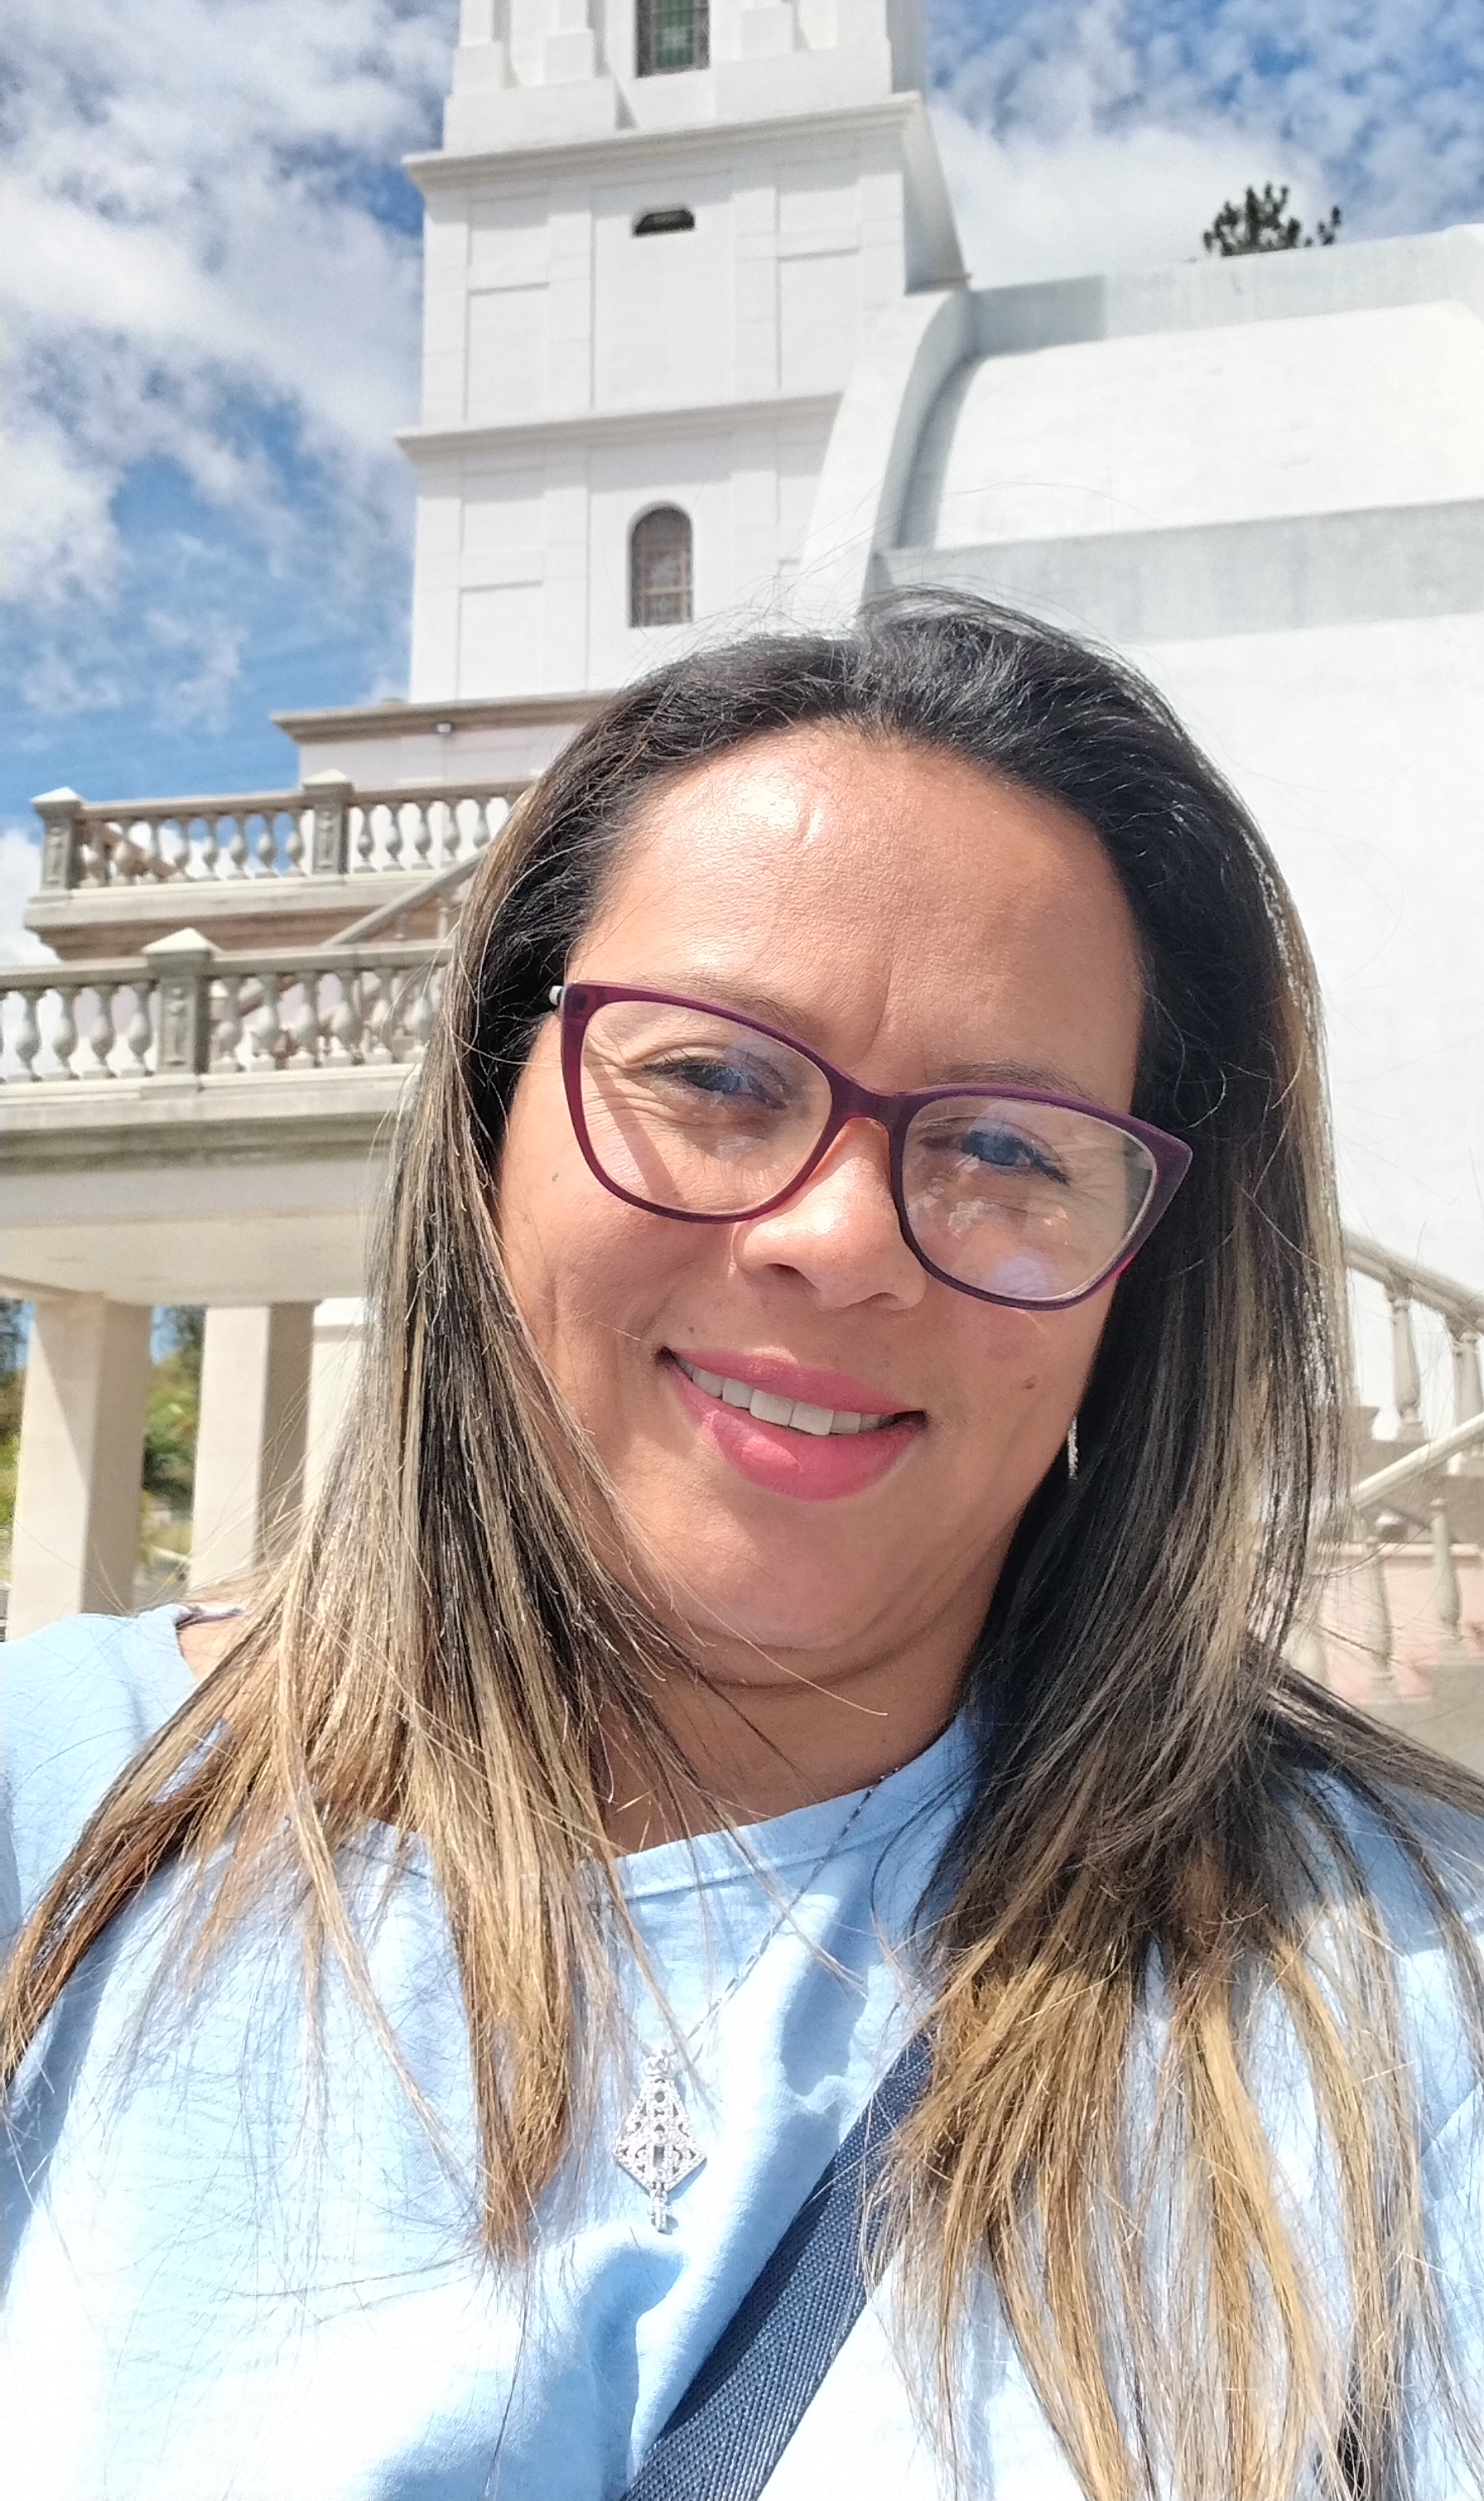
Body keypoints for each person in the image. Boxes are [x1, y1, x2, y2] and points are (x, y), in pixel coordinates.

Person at [2, 597, 1482, 2501]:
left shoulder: (1401, 2002)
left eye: (1010, 1145)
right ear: (489, 1113)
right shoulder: (56, 1810)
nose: (835, 1236)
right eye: (709, 1075)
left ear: (1140, 1268)